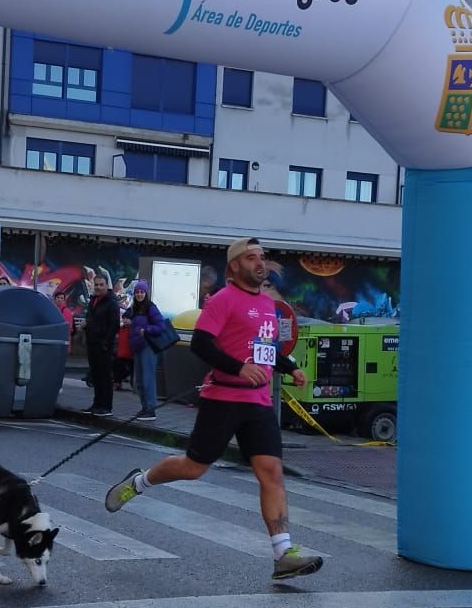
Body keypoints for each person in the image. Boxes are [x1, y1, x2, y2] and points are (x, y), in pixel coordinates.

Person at [104, 238, 323, 580]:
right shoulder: (223, 300)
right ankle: (139, 481)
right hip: (223, 398)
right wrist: (237, 368)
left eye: (261, 257)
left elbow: (264, 347)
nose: (259, 263)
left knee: (272, 473)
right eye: (251, 258)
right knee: (192, 469)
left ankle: (283, 553)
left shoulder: (267, 305)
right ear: (234, 266)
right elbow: (202, 345)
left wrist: (289, 366)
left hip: (259, 402)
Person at [125, 279, 173, 421]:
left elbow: (161, 326)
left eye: (142, 292)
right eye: (137, 292)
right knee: (139, 380)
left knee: (147, 379)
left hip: (147, 347)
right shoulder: (134, 308)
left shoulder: (151, 307)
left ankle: (151, 409)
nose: (139, 294)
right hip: (137, 347)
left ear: (146, 293)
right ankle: (145, 407)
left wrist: (146, 329)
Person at [84, 273, 121, 415]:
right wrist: (87, 324)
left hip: (103, 345)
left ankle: (106, 406)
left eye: (101, 285)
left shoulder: (111, 303)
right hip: (92, 342)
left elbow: (114, 325)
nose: (98, 287)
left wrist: (106, 343)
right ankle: (97, 404)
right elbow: (91, 317)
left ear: (107, 286)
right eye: (96, 284)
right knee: (96, 375)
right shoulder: (93, 300)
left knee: (105, 376)